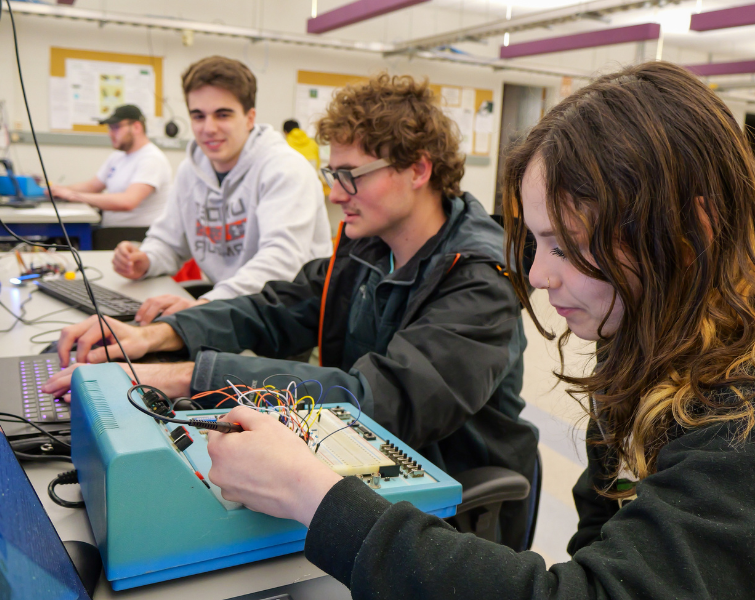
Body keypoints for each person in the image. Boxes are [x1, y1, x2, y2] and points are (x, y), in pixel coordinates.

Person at [200, 62, 755, 599]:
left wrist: (311, 493)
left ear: (690, 230)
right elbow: (600, 545)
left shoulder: (737, 420)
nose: (537, 276)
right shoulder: (639, 357)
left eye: (565, 245)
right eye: (538, 243)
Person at [44, 73, 539, 548]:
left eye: (351, 176)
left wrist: (192, 376)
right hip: (359, 458)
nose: (335, 192)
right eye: (332, 173)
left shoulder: (479, 279)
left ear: (418, 169)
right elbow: (276, 308)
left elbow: (384, 398)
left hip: (447, 492)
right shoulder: (371, 244)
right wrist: (158, 335)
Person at [111, 57, 332, 318]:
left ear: (250, 118)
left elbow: (281, 262)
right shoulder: (190, 171)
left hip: (284, 314)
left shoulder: (285, 168)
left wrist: (207, 304)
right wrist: (145, 260)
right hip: (227, 304)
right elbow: (169, 242)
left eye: (223, 114)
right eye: (198, 116)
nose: (209, 128)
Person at [46, 104, 172, 228]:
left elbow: (128, 202)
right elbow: (92, 186)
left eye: (116, 127)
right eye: (110, 128)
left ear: (136, 127)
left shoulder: (152, 158)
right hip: (111, 231)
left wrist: (73, 196)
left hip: (137, 236)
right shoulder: (118, 157)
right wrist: (59, 190)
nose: (110, 134)